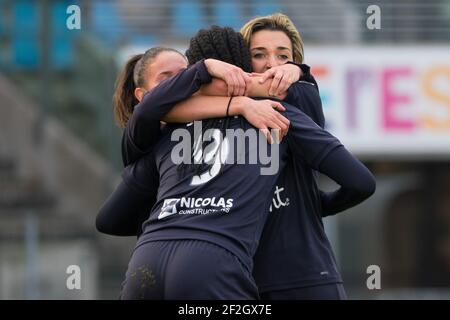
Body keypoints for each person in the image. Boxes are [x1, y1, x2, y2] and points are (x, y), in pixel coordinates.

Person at [97, 26, 376, 299]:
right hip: (225, 265)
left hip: (147, 260)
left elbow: (109, 219)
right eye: (259, 55)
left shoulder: (163, 135)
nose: (273, 67)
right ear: (244, 68)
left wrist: (173, 218)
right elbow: (361, 181)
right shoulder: (279, 115)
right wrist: (317, 205)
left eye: (283, 57)